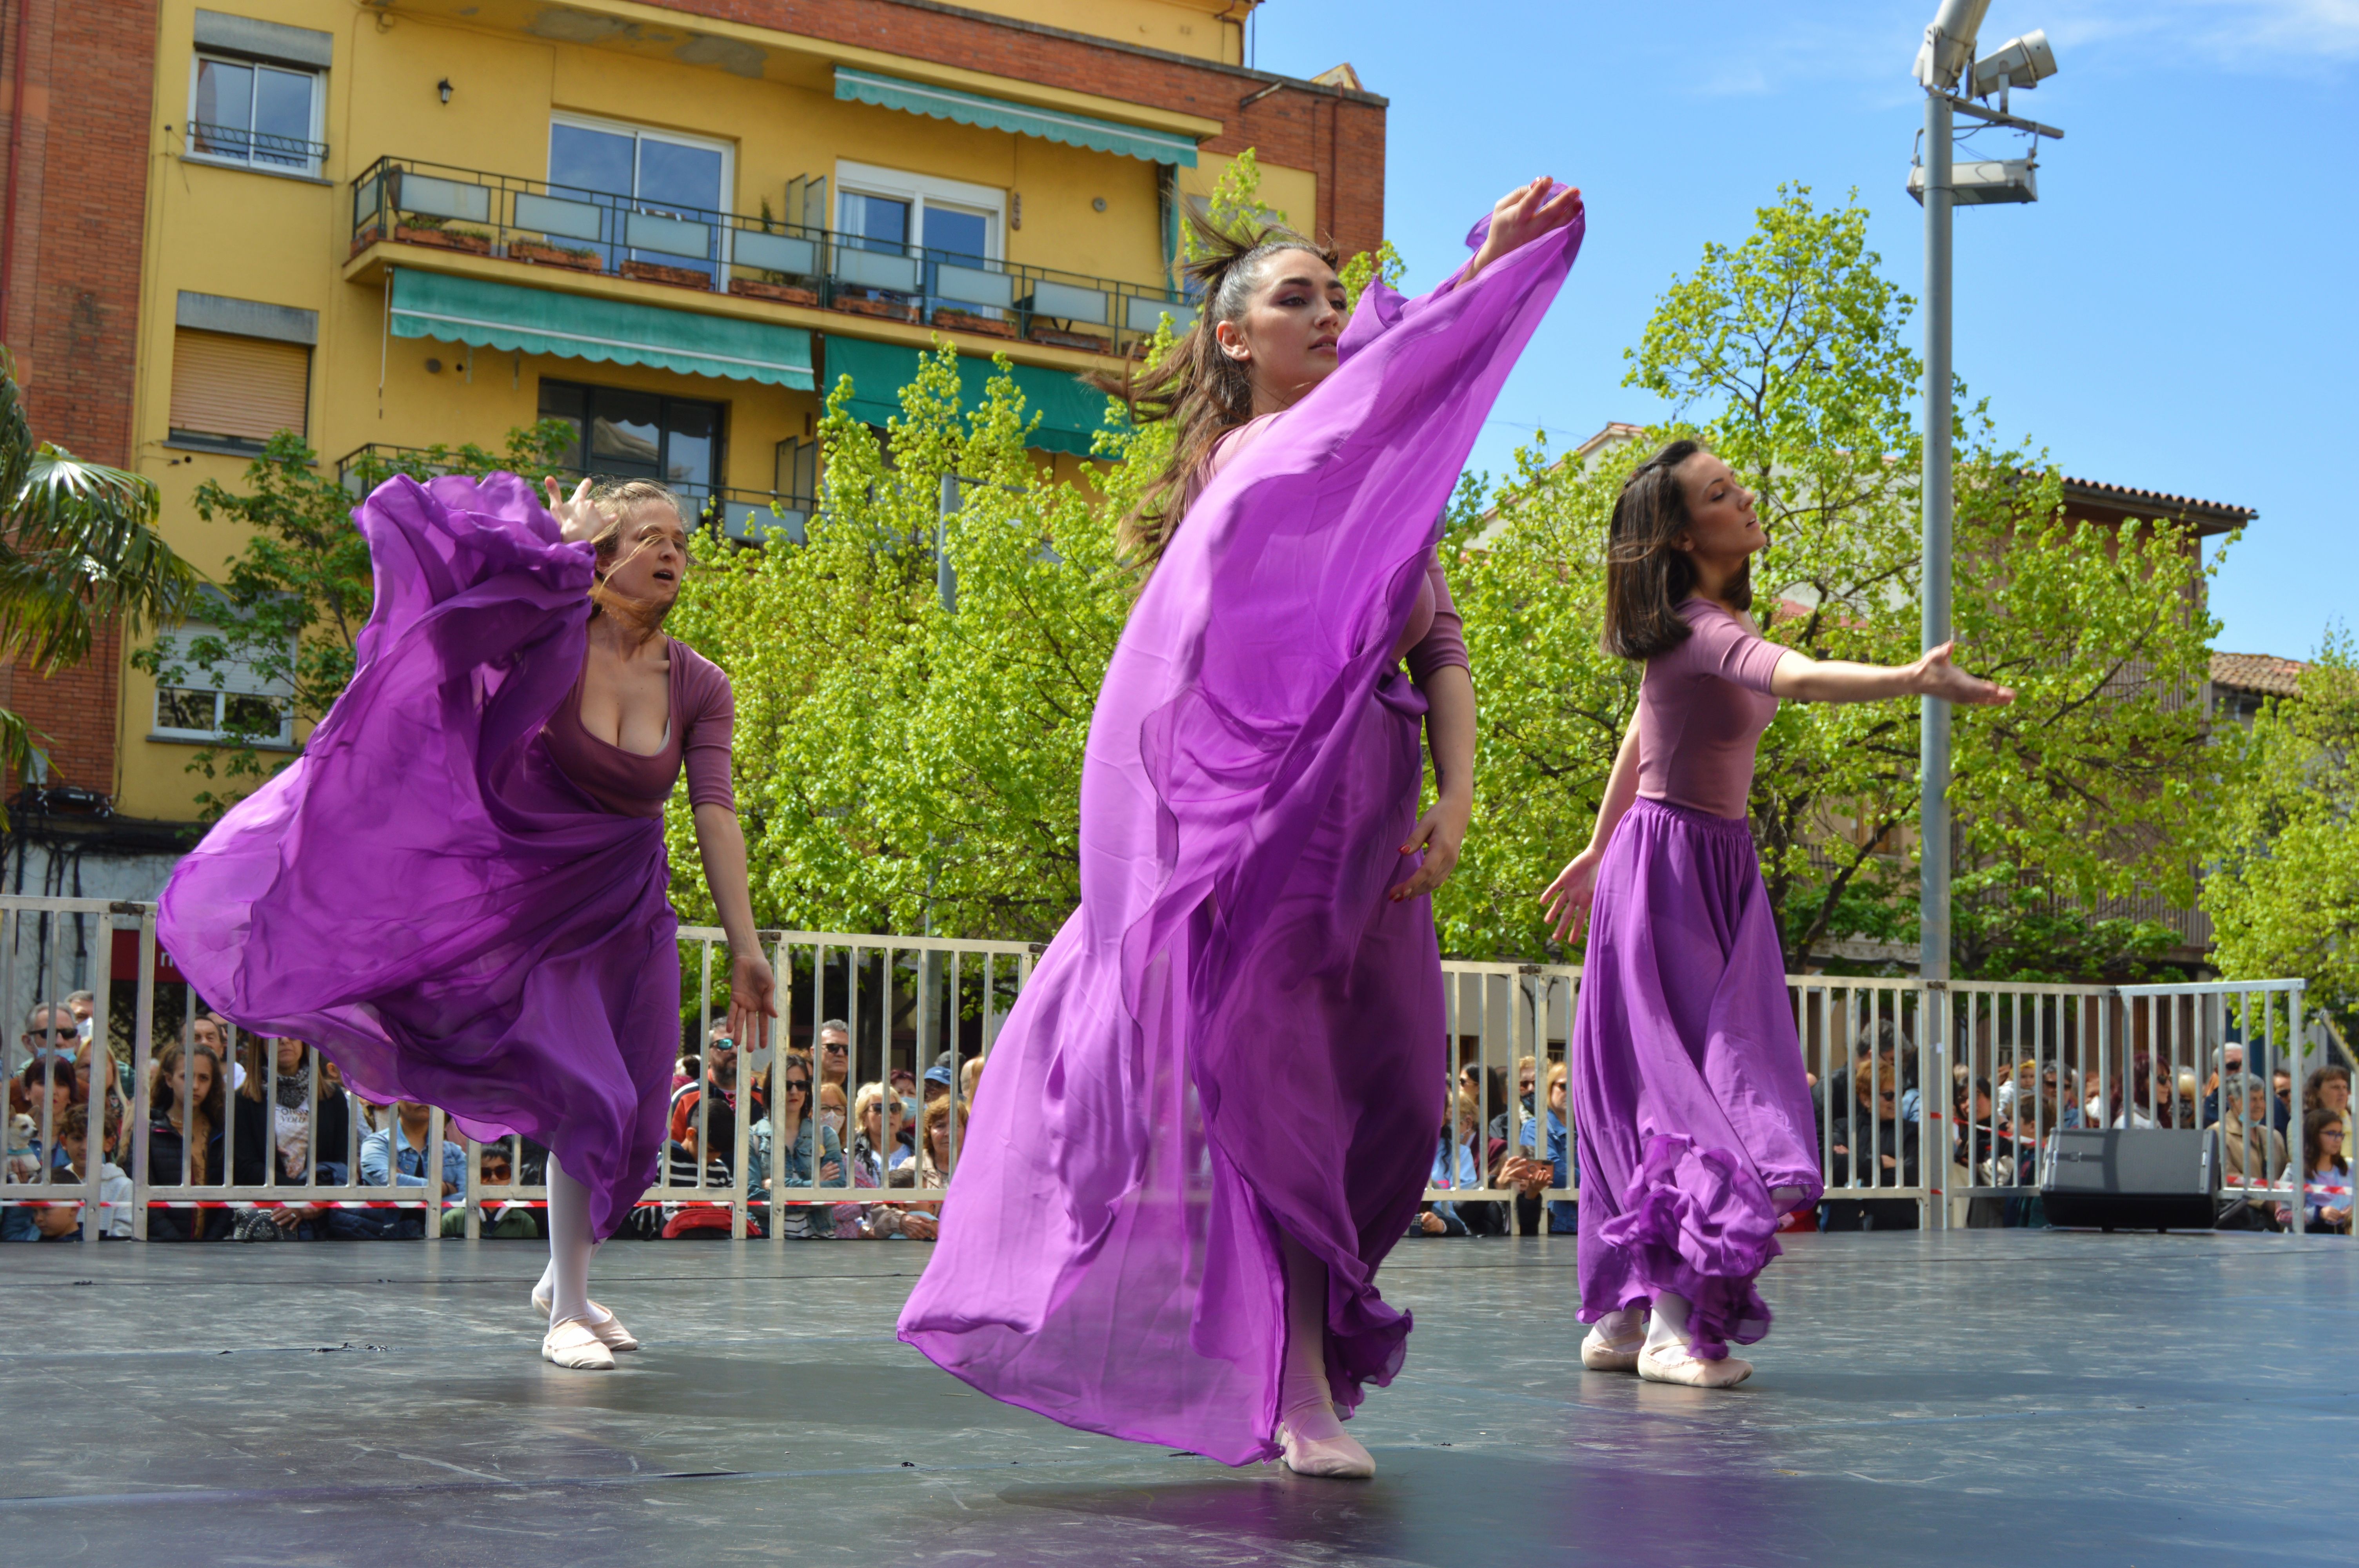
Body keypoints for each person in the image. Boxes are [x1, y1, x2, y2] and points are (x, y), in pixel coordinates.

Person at [900, 178, 1585, 1478]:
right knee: (1284, 1103)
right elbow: (1339, 449)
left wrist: (1455, 801)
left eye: (1336, 296)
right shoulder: (1257, 466)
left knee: (1380, 1099)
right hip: (1261, 836)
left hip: (1370, 830)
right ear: (1233, 337)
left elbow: (1436, 642)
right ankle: (1299, 1390)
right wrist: (1479, 269)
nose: (1326, 313)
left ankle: (1300, 1362)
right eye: (1296, 298)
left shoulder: (1373, 474)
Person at [158, 471, 775, 1368]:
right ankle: (566, 1306)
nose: (672, 551)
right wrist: (552, 539)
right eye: (647, 535)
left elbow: (714, 811)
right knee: (587, 1093)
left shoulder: (700, 684)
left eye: (680, 537)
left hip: (630, 905)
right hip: (538, 902)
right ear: (602, 558)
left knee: (640, 1116)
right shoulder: (548, 636)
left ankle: (566, 1272)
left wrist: (748, 946)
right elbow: (454, 604)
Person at [1543, 438, 2012, 1389]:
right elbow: (1792, 678)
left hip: (1710, 864)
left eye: (1737, 483)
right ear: (1681, 533)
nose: (1745, 498)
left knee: (1695, 1083)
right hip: (1671, 869)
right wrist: (1908, 680)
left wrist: (1596, 844)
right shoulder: (1695, 625)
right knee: (1687, 1093)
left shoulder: (1712, 619)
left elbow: (1642, 725)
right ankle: (1673, 1323)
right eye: (1720, 493)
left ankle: (1627, 1316)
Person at [751, 1053, 842, 1238]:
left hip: (819, 1237)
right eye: (786, 1085)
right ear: (772, 1088)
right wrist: (815, 1186)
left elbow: (837, 1190)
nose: (794, 1092)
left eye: (801, 1085)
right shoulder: (752, 1136)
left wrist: (776, 1186)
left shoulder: (826, 1136)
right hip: (767, 1238)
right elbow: (751, 1196)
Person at [2277, 1109, 2352, 1234]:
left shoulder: (2350, 1168)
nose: (2338, 1140)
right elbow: (2283, 1215)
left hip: (2343, 1241)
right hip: (2307, 1244)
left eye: (2340, 1134)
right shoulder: (2295, 1171)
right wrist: (2318, 1213)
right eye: (2331, 1133)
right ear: (2314, 1135)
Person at [2218, 1073, 2289, 1191]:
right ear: (2232, 1101)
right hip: (2239, 1207)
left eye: (2262, 1098)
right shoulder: (2218, 1134)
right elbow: (2227, 1178)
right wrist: (2264, 1201)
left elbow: (2285, 1175)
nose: (2260, 1105)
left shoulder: (2274, 1136)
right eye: (2252, 1099)